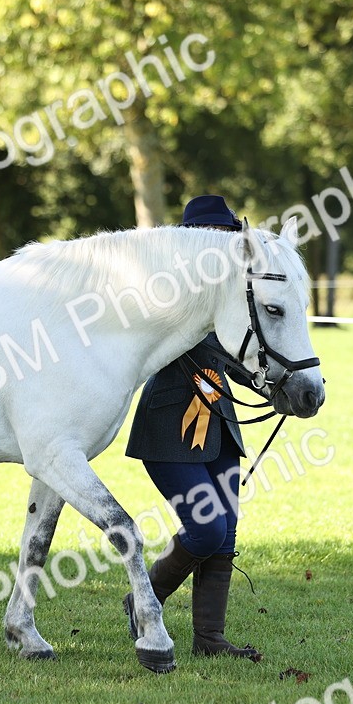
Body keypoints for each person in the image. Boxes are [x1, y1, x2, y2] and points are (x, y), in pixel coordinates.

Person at [123, 195, 261, 661]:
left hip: (220, 425)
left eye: (226, 235)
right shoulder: (166, 292)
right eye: (214, 236)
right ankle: (144, 603)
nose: (222, 243)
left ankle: (210, 639)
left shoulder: (232, 295)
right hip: (167, 429)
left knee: (225, 535)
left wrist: (273, 382)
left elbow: (242, 352)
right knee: (205, 530)